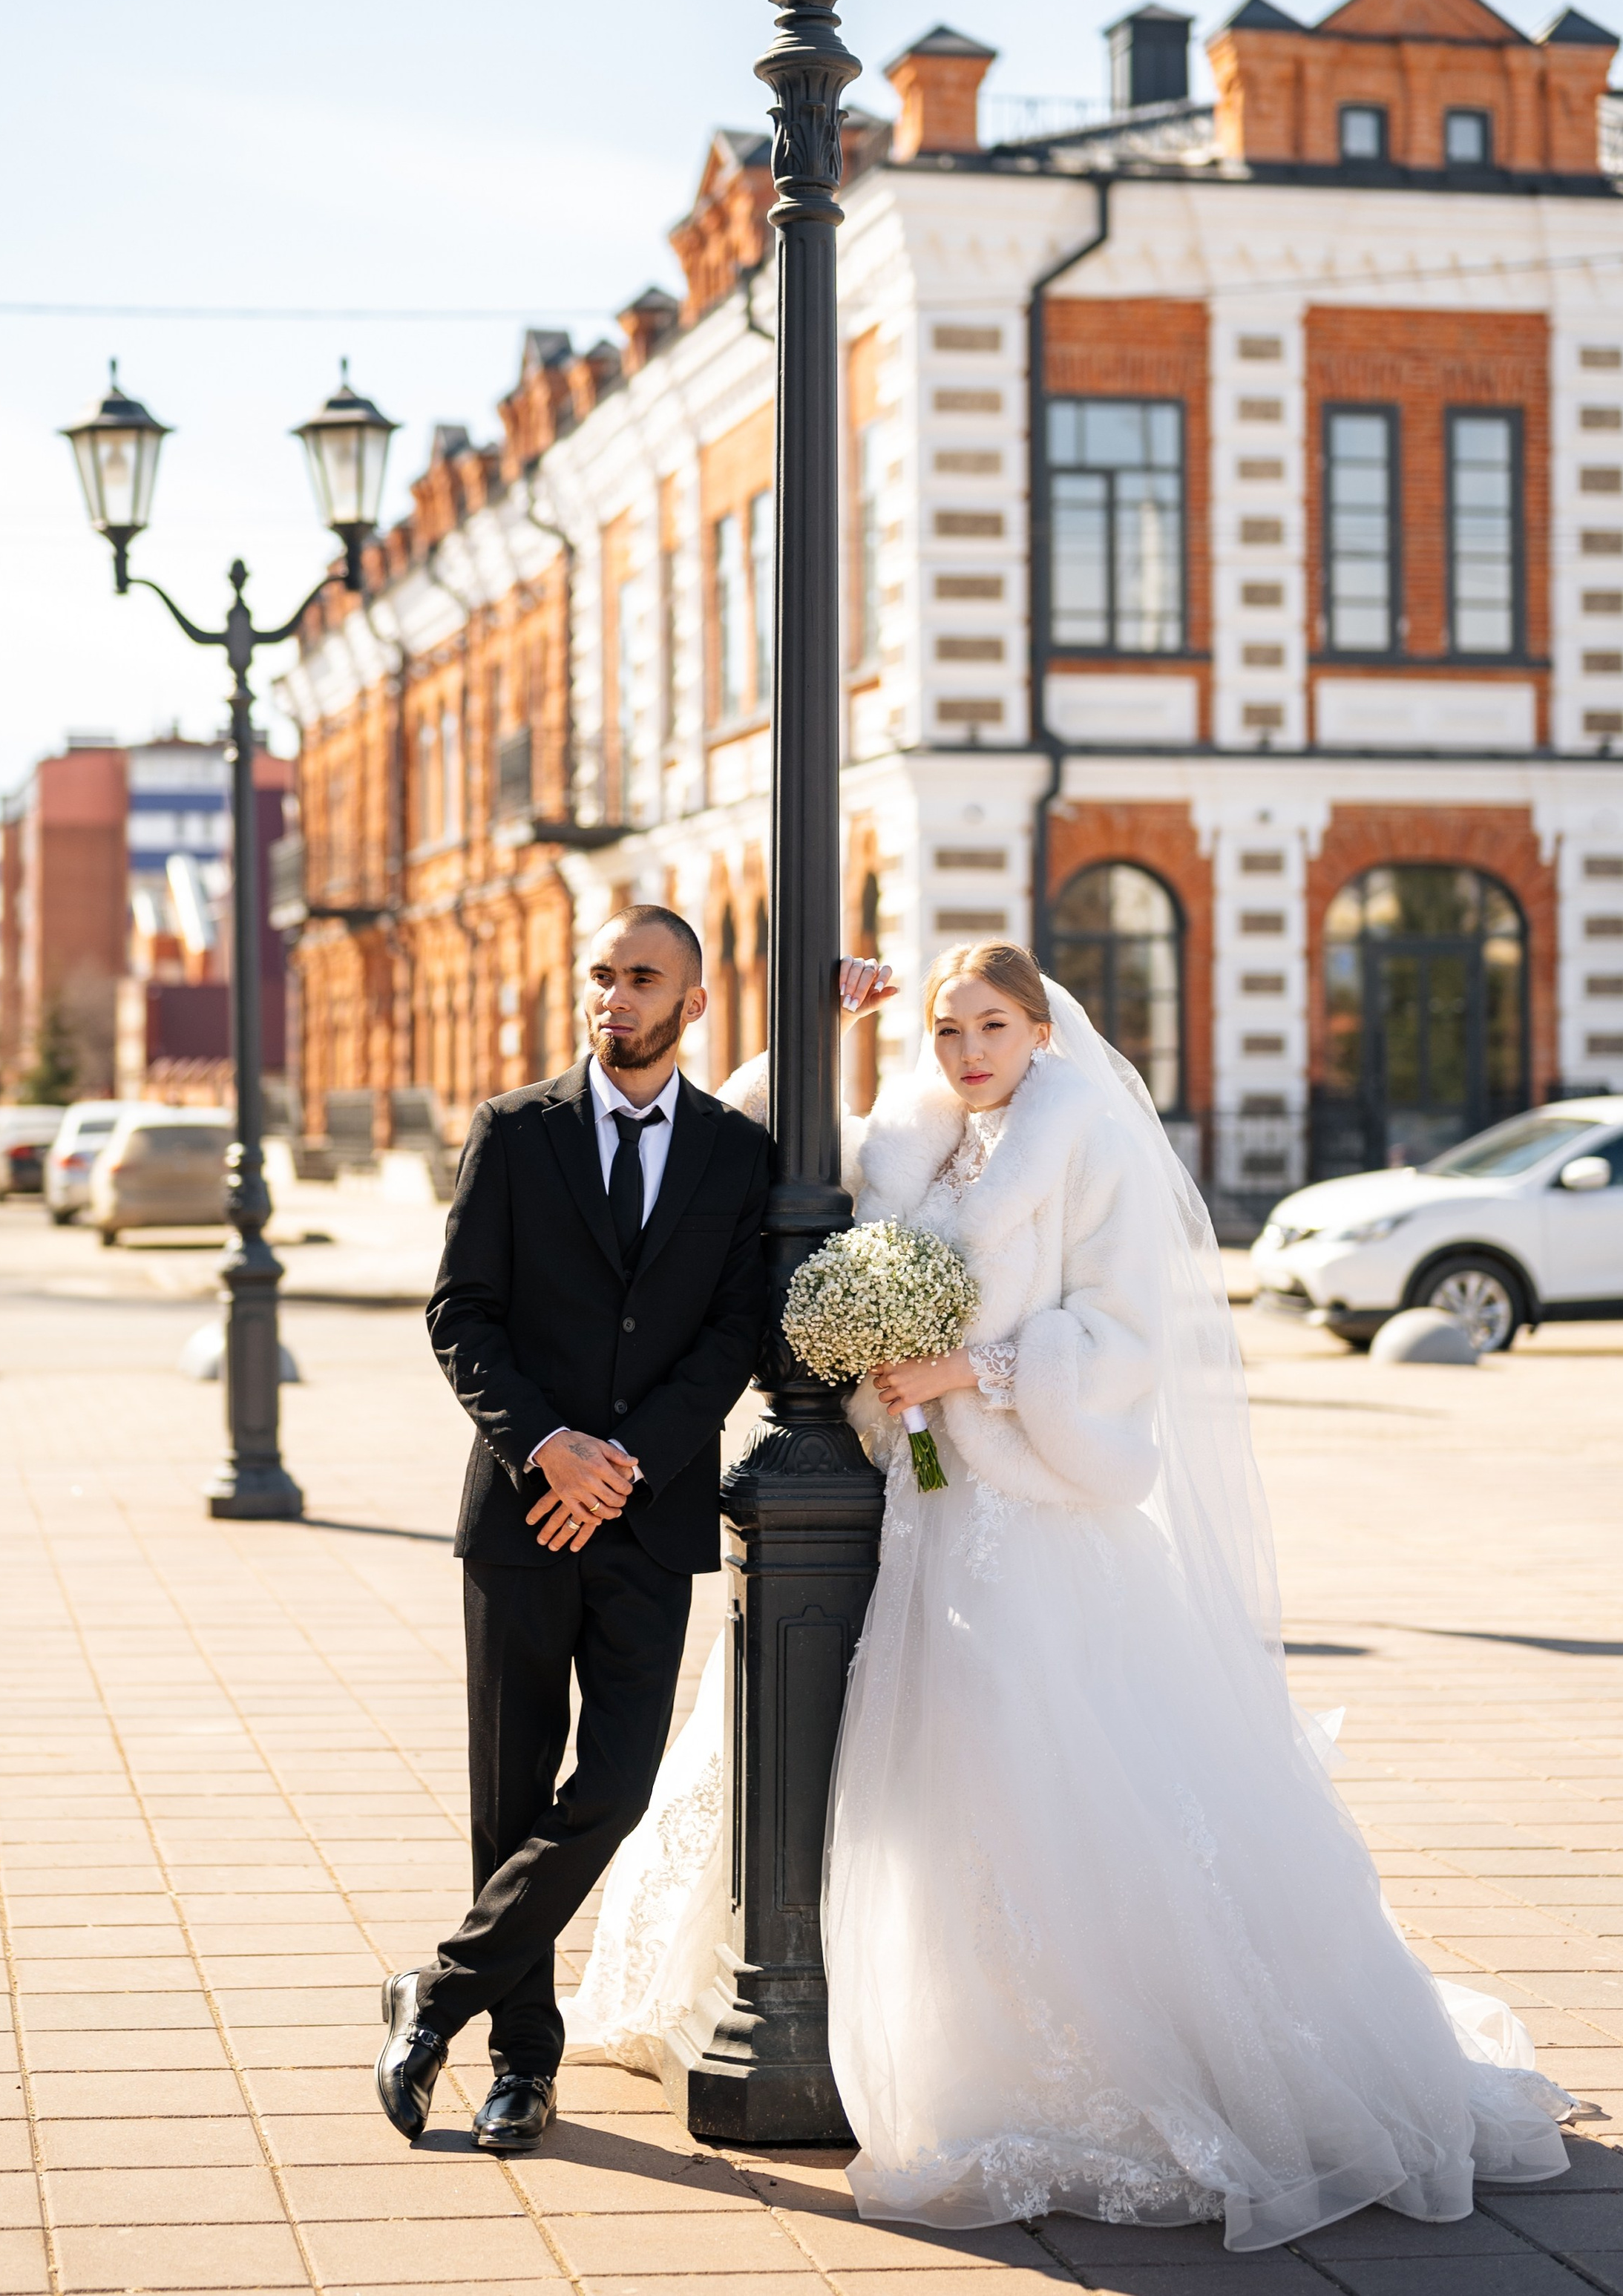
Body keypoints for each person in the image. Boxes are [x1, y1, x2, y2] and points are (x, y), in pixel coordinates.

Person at [563, 938, 1587, 2251]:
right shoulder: (920, 1137)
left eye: (992, 1027)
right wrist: (823, 1030)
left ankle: (1042, 2064)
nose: (968, 1053)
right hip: (910, 1501)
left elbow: (1123, 1339)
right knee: (899, 1774)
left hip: (1025, 1508)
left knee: (1016, 1759)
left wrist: (968, 1370)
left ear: (1041, 1031)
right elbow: (766, 1147)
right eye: (948, 1030)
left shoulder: (1086, 1143)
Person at [374, 906, 770, 2157]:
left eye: (642, 977)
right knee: (510, 1794)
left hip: (647, 1520)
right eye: (602, 974)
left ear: (692, 1004)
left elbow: (732, 1335)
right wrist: (549, 1445)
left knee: (616, 1785)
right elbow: (462, 1313)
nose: (615, 996)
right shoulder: (515, 1130)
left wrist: (627, 1462)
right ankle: (520, 2067)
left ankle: (435, 1994)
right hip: (522, 1513)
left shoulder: (734, 1153)